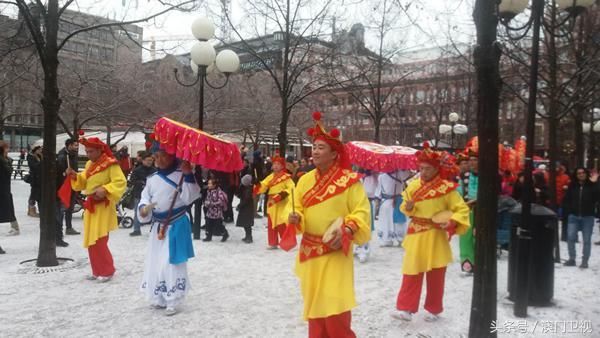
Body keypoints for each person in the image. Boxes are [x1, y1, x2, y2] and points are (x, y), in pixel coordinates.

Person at [287, 111, 370, 337]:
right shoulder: (304, 180)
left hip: (335, 250)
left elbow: (361, 211)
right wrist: (295, 217)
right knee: (314, 305)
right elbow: (297, 207)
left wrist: (349, 228)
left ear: (334, 153)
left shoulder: (349, 181)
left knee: (335, 306)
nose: (315, 151)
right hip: (310, 251)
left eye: (321, 147)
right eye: (314, 147)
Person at [391, 142, 470, 322]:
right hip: (416, 233)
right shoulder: (413, 186)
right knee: (411, 271)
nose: (423, 172)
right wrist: (407, 207)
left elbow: (462, 209)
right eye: (421, 168)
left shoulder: (446, 189)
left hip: (435, 235)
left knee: (436, 274)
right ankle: (405, 309)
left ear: (436, 169)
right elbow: (405, 206)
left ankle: (434, 309)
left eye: (427, 168)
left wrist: (451, 221)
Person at [137, 148, 200, 316]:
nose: (158, 159)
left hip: (177, 223)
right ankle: (159, 297)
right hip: (158, 226)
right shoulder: (152, 179)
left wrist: (188, 175)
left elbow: (191, 197)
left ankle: (173, 298)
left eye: (162, 155)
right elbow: (145, 197)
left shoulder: (182, 174)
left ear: (172, 155)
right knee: (156, 261)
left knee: (171, 262)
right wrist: (143, 208)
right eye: (156, 156)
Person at [66, 137, 127, 282]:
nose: (88, 154)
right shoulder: (89, 164)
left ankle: (107, 270)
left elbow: (121, 182)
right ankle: (97, 270)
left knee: (99, 239)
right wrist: (75, 176)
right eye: (86, 151)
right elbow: (83, 181)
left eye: (91, 151)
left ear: (100, 150)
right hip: (91, 205)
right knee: (91, 239)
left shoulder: (111, 164)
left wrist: (106, 189)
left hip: (103, 207)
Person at [254, 154, 295, 249]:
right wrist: (257, 184)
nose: (275, 166)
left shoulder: (286, 177)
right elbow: (263, 186)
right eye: (274, 164)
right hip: (271, 202)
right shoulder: (270, 177)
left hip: (281, 202)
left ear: (282, 166)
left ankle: (287, 242)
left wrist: (283, 194)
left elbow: (292, 188)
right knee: (271, 221)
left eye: (278, 164)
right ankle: (273, 242)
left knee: (281, 221)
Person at [562, 167, 599, 269]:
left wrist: (595, 183)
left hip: (588, 217)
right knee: (570, 238)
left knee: (587, 240)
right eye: (579, 173)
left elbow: (597, 197)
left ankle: (585, 261)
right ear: (576, 175)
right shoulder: (572, 186)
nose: (581, 174)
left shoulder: (592, 186)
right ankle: (572, 259)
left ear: (586, 174)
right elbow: (566, 199)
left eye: (583, 173)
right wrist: (569, 210)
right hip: (573, 216)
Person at [375, 170, 411, 247]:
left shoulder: (381, 176)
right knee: (399, 222)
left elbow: (378, 193)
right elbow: (410, 174)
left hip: (386, 202)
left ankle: (387, 239)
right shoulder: (401, 174)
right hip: (399, 202)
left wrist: (377, 204)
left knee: (386, 221)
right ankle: (401, 239)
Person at [56, 139, 81, 242]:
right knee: (63, 208)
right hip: (64, 185)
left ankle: (69, 227)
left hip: (72, 184)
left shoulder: (73, 155)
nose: (77, 147)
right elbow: (59, 172)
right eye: (75, 145)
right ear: (69, 145)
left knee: (70, 207)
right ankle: (59, 231)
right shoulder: (62, 156)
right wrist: (65, 173)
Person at [458, 150, 478, 274]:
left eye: (475, 160)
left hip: (481, 211)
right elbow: (459, 192)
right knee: (465, 237)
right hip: (466, 209)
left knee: (478, 236)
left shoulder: (488, 175)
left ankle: (480, 262)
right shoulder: (463, 176)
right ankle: (467, 264)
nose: (472, 162)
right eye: (470, 160)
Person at [129, 152, 157, 236]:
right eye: (148, 160)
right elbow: (131, 181)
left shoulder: (155, 170)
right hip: (139, 194)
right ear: (143, 161)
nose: (149, 162)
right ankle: (136, 229)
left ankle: (154, 229)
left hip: (152, 195)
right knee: (137, 211)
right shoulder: (137, 170)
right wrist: (141, 183)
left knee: (154, 211)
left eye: (151, 160)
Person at [354, 170, 378, 263]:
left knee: (367, 226)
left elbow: (373, 190)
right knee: (357, 226)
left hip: (368, 203)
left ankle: (364, 249)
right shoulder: (357, 176)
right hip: (357, 205)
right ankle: (358, 247)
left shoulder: (374, 177)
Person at [1, 141, 20, 239]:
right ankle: (15, 227)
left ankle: (15, 227)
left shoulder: (6, 160)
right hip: (4, 189)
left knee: (9, 209)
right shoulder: (4, 160)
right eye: (6, 148)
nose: (7, 150)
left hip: (4, 189)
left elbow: (8, 172)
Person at [203, 177, 229, 242]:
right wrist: (206, 203)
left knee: (219, 225)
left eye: (210, 184)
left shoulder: (219, 192)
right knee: (209, 224)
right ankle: (208, 236)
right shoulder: (208, 191)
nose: (208, 185)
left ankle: (225, 234)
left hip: (217, 213)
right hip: (210, 212)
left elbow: (221, 201)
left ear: (214, 185)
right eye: (208, 183)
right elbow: (207, 199)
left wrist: (212, 203)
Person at [236, 174, 255, 243]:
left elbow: (245, 200)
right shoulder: (245, 188)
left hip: (247, 209)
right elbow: (240, 195)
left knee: (247, 224)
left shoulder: (248, 190)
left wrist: (239, 206)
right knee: (245, 224)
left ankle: (249, 237)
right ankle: (247, 236)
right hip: (245, 209)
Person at [27, 145, 43, 218]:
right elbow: (34, 166)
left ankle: (34, 209)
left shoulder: (39, 156)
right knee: (33, 194)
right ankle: (31, 210)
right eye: (39, 149)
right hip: (34, 179)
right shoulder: (30, 157)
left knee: (37, 194)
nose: (40, 151)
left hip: (39, 178)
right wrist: (41, 162)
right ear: (35, 150)